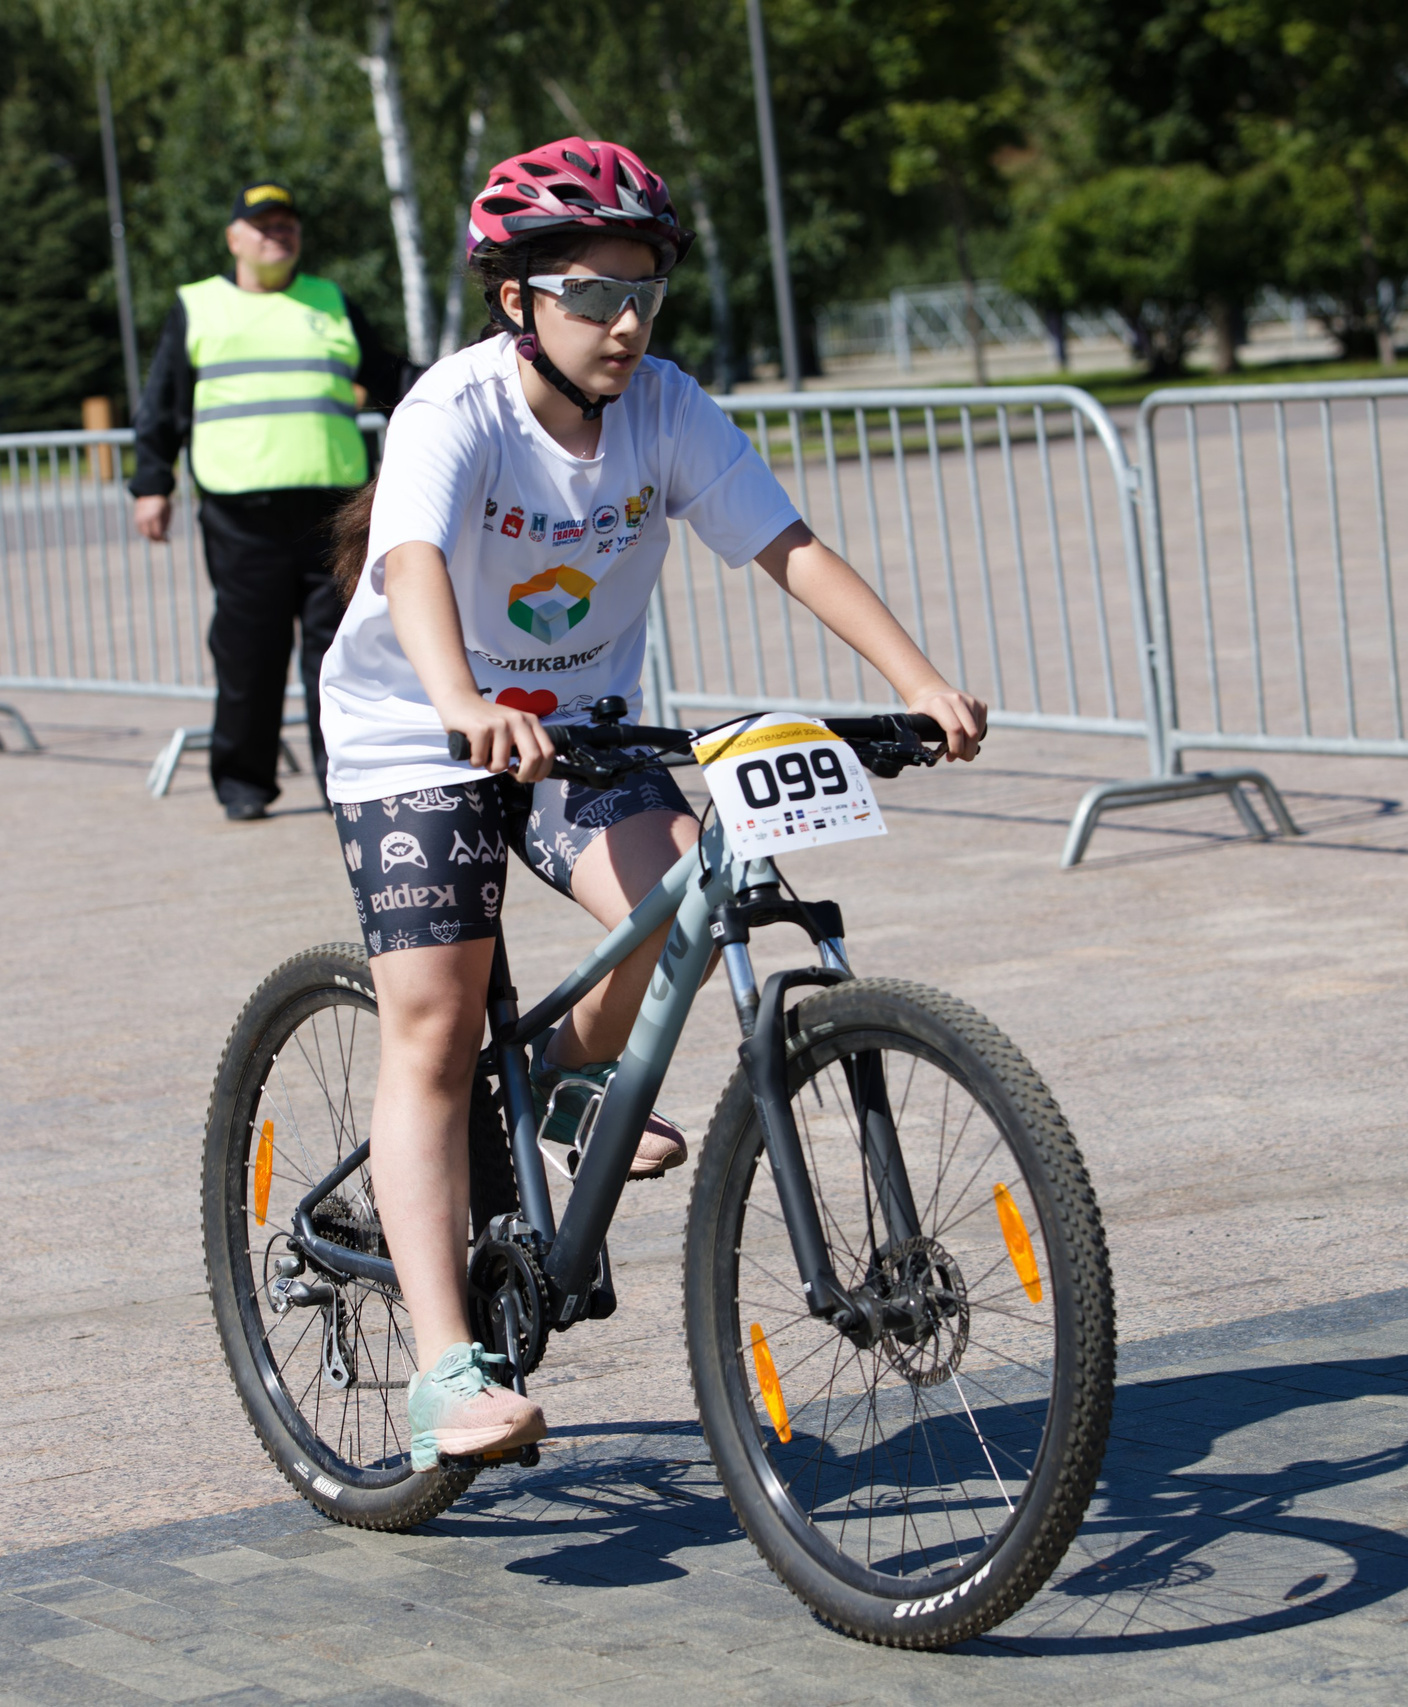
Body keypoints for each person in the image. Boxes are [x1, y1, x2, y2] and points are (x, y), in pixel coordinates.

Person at [314, 138, 989, 1469]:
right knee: (437, 1023)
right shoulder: (457, 413)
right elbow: (409, 565)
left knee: (693, 881)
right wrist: (461, 701)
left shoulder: (666, 409)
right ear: (518, 299)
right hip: (415, 729)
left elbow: (785, 545)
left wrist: (918, 680)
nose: (624, 322)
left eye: (643, 292)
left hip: (579, 726)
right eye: (592, 293)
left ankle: (569, 1080)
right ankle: (449, 1370)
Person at [128, 180, 419, 820]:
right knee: (248, 654)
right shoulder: (198, 306)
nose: (277, 233)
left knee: (341, 653)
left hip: (332, 512)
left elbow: (394, 375)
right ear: (234, 238)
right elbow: (162, 405)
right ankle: (244, 786)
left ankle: (344, 782)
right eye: (262, 225)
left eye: (287, 223)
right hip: (241, 515)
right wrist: (152, 483)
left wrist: (457, 390)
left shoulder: (330, 300)